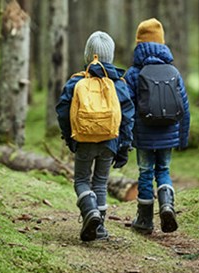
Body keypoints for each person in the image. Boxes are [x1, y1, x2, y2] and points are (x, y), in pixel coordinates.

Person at [56, 31, 135, 241]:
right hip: (110, 141)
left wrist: (70, 138)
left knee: (81, 180)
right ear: (109, 56)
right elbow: (127, 118)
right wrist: (124, 147)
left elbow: (63, 111)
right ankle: (99, 227)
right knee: (100, 183)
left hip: (83, 140)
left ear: (87, 55)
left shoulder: (76, 83)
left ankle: (89, 211)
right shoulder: (118, 84)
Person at [124, 18, 190, 234]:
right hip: (168, 132)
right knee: (163, 170)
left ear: (139, 43)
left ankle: (144, 220)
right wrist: (182, 138)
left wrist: (126, 137)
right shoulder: (173, 71)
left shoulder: (133, 73)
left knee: (145, 173)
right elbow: (184, 107)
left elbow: (127, 107)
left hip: (143, 135)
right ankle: (167, 206)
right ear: (162, 43)